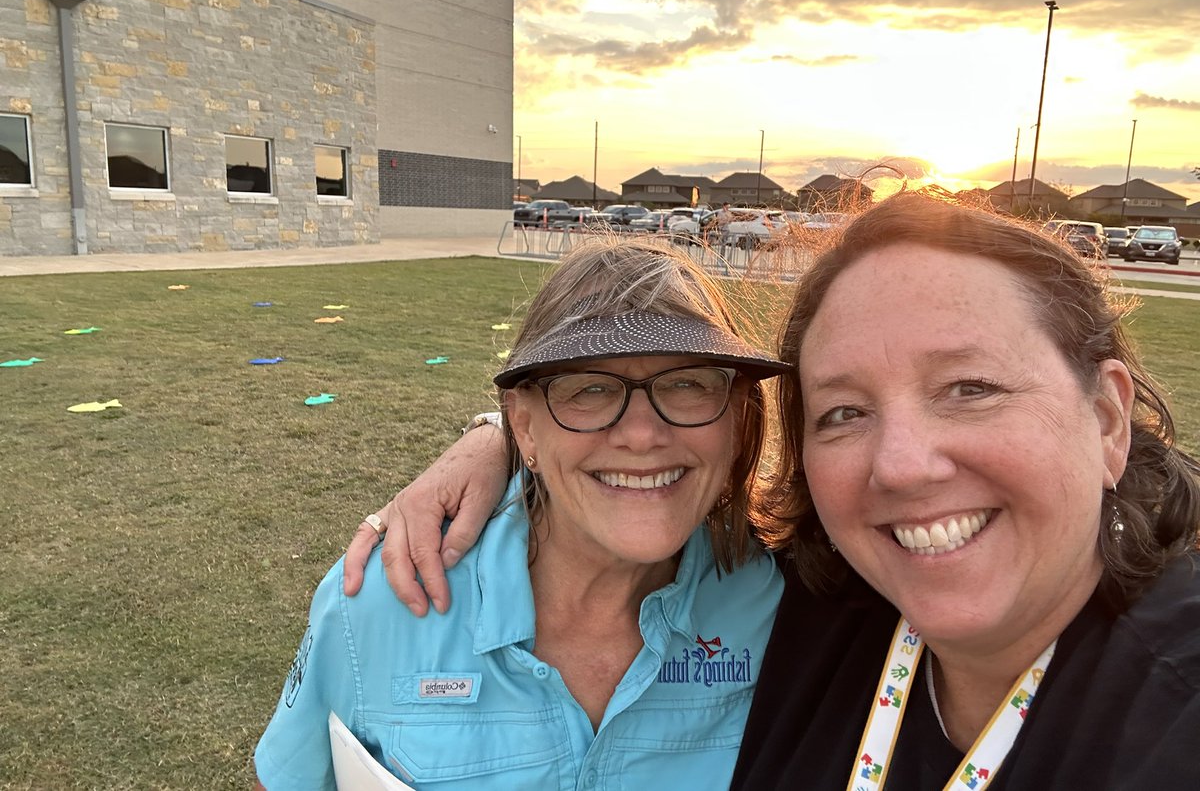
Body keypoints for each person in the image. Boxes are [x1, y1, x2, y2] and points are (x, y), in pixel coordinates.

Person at [345, 192, 1200, 789]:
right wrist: (498, 440)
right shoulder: (828, 602)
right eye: (843, 411)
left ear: (1108, 418)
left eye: (970, 388)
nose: (901, 466)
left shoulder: (1173, 713)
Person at [255, 236, 790, 790]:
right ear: (526, 426)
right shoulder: (378, 602)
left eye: (687, 384)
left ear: (737, 418)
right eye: (589, 389)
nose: (641, 435)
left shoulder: (781, 601)